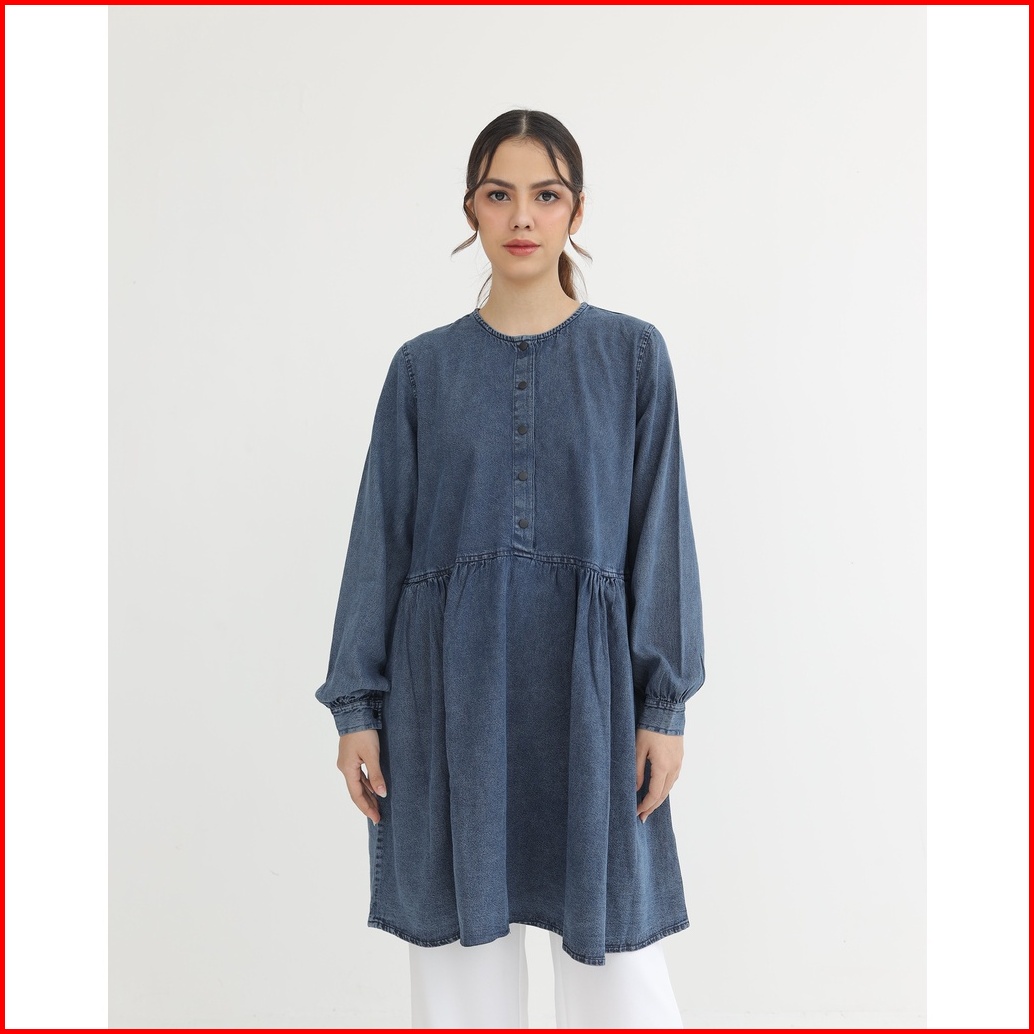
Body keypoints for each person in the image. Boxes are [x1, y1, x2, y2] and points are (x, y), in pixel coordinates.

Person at [314, 109, 705, 1028]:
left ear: (577, 211)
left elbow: (662, 535)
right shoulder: (422, 371)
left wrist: (664, 707)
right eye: (499, 194)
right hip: (452, 697)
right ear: (471, 209)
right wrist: (357, 708)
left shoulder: (633, 356)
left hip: (590, 697)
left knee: (620, 971)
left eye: (546, 194)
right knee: (460, 972)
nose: (522, 216)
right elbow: (378, 541)